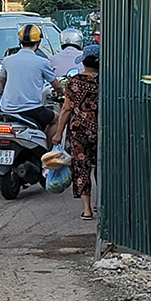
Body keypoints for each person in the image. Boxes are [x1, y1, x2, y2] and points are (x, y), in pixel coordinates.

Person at [55, 44, 99, 220]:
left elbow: (66, 109)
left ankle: (87, 209)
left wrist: (59, 133)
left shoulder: (73, 82)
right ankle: (100, 203)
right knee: (102, 167)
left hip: (78, 132)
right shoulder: (105, 81)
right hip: (101, 131)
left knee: (81, 168)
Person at [0, 24, 62, 146]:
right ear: (38, 42)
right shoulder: (42, 62)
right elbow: (56, 85)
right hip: (31, 110)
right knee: (56, 118)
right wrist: (64, 94)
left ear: (20, 41)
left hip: (6, 110)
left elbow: (2, 81)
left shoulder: (7, 60)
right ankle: (48, 152)